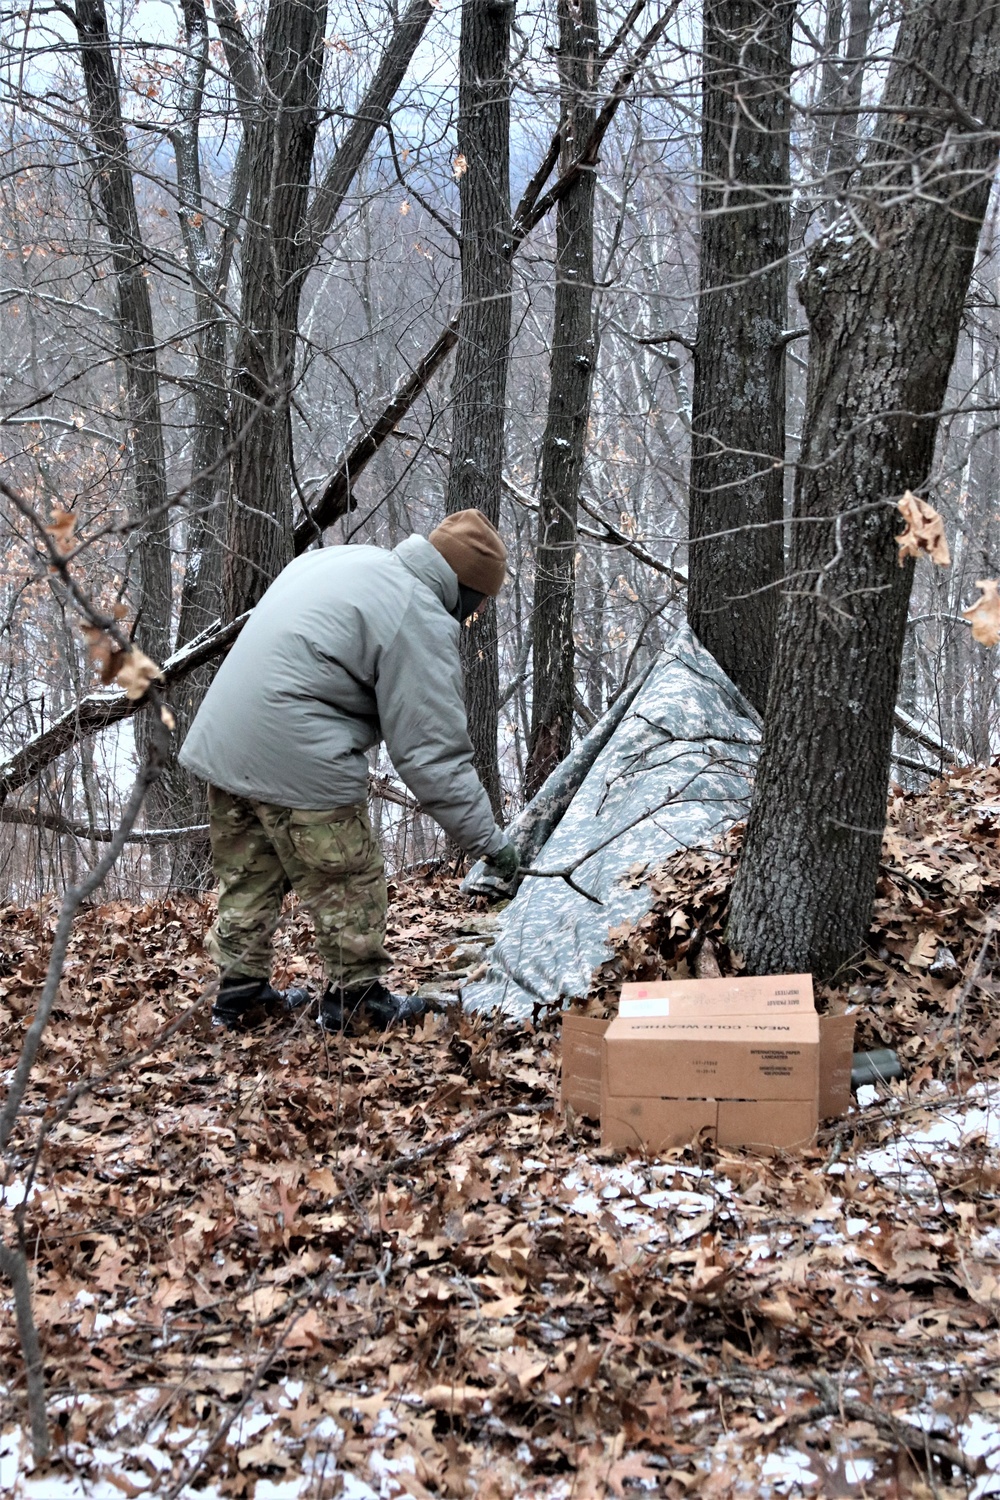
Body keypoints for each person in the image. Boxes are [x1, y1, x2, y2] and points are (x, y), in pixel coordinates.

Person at [179, 510, 520, 1033]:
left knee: (249, 876)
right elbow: (432, 755)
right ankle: (357, 1003)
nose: (470, 618)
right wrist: (491, 845)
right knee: (350, 879)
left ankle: (240, 997)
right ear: (465, 589)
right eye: (476, 606)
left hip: (225, 741)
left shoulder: (345, 559)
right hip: (298, 750)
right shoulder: (419, 613)